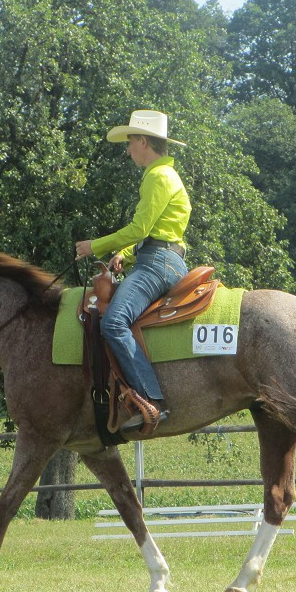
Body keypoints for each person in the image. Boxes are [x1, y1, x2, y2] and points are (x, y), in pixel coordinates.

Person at [75, 110, 191, 433]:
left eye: (130, 143)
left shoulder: (157, 177)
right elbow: (152, 230)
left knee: (112, 322)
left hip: (157, 262)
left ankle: (151, 401)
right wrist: (123, 253)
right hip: (160, 257)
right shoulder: (165, 175)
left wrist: (94, 247)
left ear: (143, 141)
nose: (127, 151)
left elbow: (140, 227)